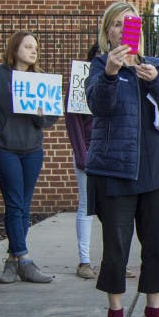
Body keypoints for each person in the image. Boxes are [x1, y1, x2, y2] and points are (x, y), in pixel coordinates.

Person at [86, 1, 159, 317]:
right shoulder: (100, 66)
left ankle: (153, 313)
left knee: (155, 246)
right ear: (107, 33)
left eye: (130, 24)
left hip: (154, 169)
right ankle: (115, 316)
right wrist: (111, 74)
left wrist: (157, 81)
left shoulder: (155, 66)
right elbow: (99, 106)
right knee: (116, 248)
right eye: (117, 24)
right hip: (115, 170)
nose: (124, 29)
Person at [0, 31, 58, 284]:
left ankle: (12, 262)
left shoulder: (41, 80)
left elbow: (50, 119)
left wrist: (40, 114)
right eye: (28, 46)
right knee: (14, 202)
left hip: (32, 149)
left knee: (24, 205)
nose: (34, 51)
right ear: (14, 49)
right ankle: (24, 259)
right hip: (4, 148)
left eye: (36, 47)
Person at [65, 43, 99, 280]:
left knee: (116, 210)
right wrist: (82, 155)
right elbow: (73, 122)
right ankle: (84, 261)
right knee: (87, 206)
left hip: (114, 153)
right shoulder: (79, 83)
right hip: (89, 151)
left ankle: (114, 261)